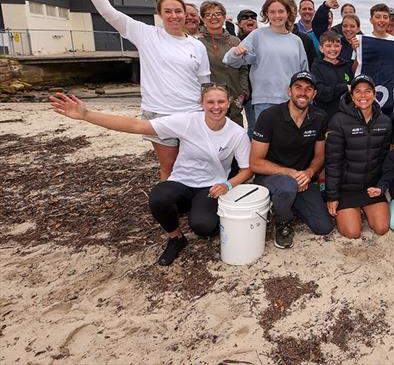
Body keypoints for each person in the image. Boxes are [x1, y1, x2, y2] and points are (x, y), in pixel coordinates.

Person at [49, 85, 251, 266]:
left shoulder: (236, 133)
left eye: (221, 102)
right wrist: (86, 115)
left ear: (228, 103)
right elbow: (138, 126)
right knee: (159, 198)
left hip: (211, 187)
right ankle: (176, 238)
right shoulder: (187, 121)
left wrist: (228, 185)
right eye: (210, 102)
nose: (216, 107)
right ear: (202, 104)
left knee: (203, 227)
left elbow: (246, 170)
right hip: (181, 181)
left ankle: (197, 210)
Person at [68, 0, 211, 181]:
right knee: (169, 166)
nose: (174, 16)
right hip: (159, 112)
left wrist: (206, 110)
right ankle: (169, 206)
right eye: (168, 11)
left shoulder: (197, 45)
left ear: (185, 14)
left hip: (192, 113)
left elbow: (204, 83)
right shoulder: (146, 35)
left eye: (178, 11)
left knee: (195, 163)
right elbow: (107, 11)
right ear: (160, 14)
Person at [251, 72, 333, 248]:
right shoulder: (269, 116)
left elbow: (320, 156)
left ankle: (282, 203)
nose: (303, 93)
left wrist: (309, 173)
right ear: (289, 90)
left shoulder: (319, 117)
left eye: (308, 89)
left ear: (314, 94)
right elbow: (255, 162)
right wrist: (291, 174)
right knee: (287, 187)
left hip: (302, 178)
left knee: (323, 227)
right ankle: (283, 222)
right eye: (298, 88)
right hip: (271, 176)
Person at [223, 0, 308, 127]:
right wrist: (236, 52)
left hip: (292, 101)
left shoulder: (296, 41)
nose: (277, 15)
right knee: (264, 145)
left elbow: (304, 72)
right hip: (264, 101)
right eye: (272, 12)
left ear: (288, 13)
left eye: (281, 11)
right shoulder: (257, 35)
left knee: (291, 144)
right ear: (266, 14)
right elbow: (230, 60)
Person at [324, 74, 392, 239]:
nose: (363, 96)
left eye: (368, 91)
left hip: (371, 188)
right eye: (358, 92)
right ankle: (351, 211)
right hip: (346, 189)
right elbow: (332, 162)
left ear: (375, 94)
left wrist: (382, 187)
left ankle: (365, 209)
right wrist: (332, 196)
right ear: (351, 96)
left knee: (382, 228)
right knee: (353, 233)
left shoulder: (384, 121)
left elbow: (385, 160)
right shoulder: (338, 120)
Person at [197, 1, 249, 126]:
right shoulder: (197, 42)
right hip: (209, 101)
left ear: (224, 17)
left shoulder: (235, 41)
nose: (213, 17)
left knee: (234, 136)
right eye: (208, 14)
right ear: (202, 18)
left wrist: (243, 92)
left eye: (218, 13)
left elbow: (244, 69)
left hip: (233, 99)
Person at [310, 30, 354, 119]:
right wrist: (344, 87)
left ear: (341, 47)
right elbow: (320, 93)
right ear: (321, 48)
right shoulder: (316, 67)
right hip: (325, 116)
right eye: (328, 46)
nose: (333, 49)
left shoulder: (346, 65)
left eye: (336, 46)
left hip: (346, 115)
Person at [235, 8, 259, 130]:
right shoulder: (235, 41)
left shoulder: (262, 39)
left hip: (261, 91)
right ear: (239, 23)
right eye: (245, 17)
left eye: (253, 17)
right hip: (246, 93)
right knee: (253, 127)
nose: (250, 19)